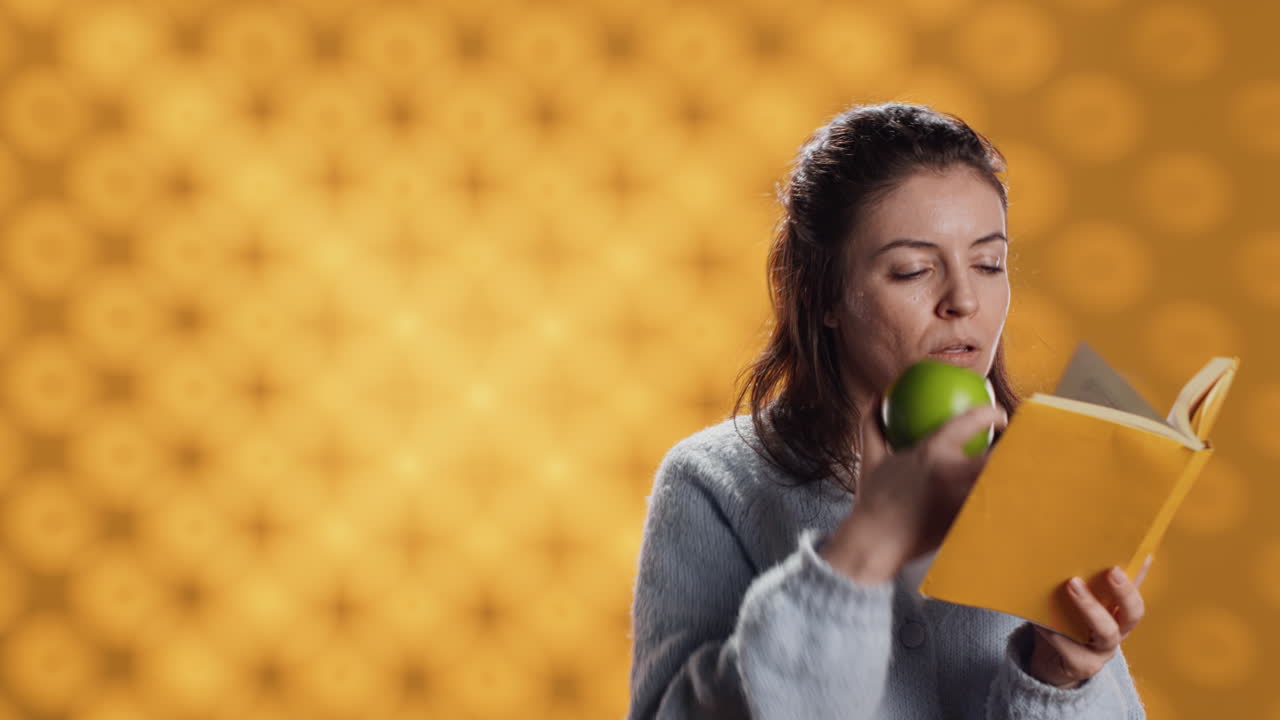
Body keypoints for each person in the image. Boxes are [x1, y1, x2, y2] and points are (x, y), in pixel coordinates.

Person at [626, 103, 1150, 720]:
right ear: (825, 296)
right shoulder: (713, 482)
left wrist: (1060, 681)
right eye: (913, 270)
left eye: (989, 263)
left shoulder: (1044, 474)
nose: (964, 300)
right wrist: (864, 548)